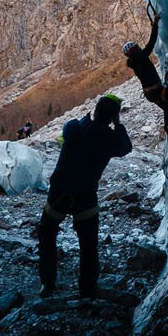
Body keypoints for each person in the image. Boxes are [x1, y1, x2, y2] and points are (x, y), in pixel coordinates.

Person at [37, 94, 132, 298]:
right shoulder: (110, 139)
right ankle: (87, 288)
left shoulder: (73, 127)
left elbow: (71, 129)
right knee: (88, 243)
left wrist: (88, 118)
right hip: (85, 195)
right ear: (112, 117)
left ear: (95, 111)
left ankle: (47, 282)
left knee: (47, 233)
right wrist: (118, 125)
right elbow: (127, 147)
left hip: (59, 191)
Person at [124, 10, 168, 142]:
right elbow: (152, 42)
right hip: (157, 91)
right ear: (133, 51)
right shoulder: (140, 57)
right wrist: (156, 23)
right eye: (136, 47)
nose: (139, 47)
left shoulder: (134, 62)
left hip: (151, 94)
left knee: (167, 108)